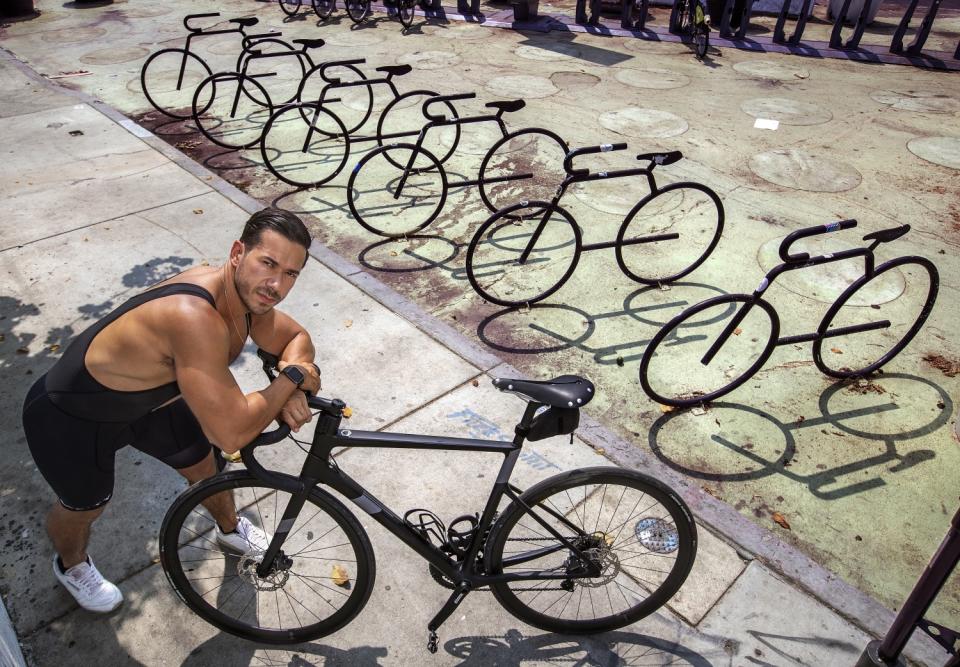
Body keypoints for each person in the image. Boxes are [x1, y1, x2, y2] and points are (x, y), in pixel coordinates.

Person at [21, 207, 321, 613]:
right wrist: (292, 382)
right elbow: (231, 433)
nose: (276, 285)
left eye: (290, 274)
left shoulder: (249, 298)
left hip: (153, 403)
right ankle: (71, 564)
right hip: (73, 414)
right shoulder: (194, 316)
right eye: (268, 263)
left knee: (205, 468)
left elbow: (297, 337)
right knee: (85, 505)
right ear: (238, 253)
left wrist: (294, 371)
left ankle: (230, 529)